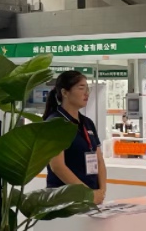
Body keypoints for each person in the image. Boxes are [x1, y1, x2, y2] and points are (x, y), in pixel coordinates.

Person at [43, 71, 107, 205]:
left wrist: (101, 191)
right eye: (81, 88)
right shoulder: (55, 123)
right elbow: (57, 166)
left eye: (87, 89)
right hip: (64, 199)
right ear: (65, 93)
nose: (86, 93)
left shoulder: (87, 123)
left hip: (90, 196)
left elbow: (99, 160)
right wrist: (87, 193)